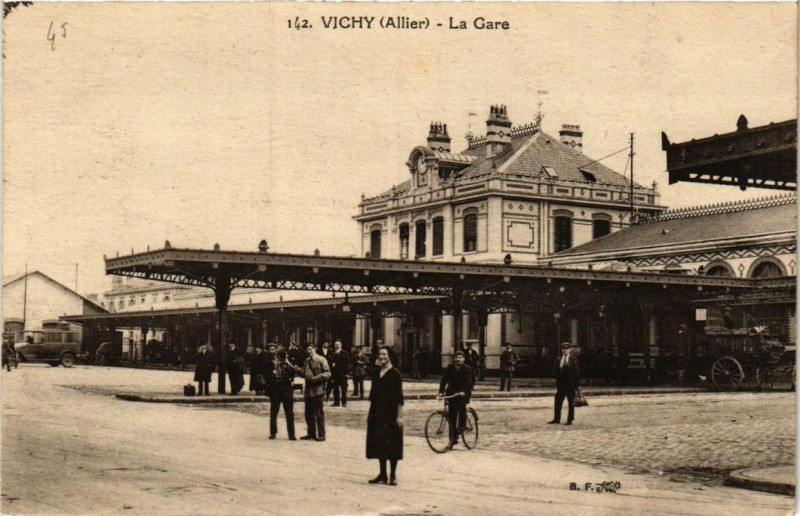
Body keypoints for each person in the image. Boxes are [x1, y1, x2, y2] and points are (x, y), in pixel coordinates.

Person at [366, 346, 404, 486]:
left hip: (391, 413)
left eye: (384, 354)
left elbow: (400, 398)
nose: (381, 357)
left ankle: (392, 475)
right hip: (377, 412)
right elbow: (373, 395)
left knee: (392, 443)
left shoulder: (395, 374)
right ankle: (382, 474)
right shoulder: (376, 373)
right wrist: (370, 414)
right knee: (379, 443)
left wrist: (399, 416)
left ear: (389, 356)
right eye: (380, 354)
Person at [294, 343, 331, 441]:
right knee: (308, 413)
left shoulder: (321, 359)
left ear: (315, 349)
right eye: (307, 350)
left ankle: (322, 435)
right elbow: (304, 374)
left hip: (318, 390)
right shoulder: (306, 361)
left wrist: (316, 378)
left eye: (310, 349)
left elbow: (328, 373)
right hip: (308, 390)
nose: (308, 351)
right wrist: (298, 370)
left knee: (319, 413)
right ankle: (311, 433)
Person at [438, 351, 473, 448]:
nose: (458, 359)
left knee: (461, 409)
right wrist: (441, 392)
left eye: (460, 357)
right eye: (456, 357)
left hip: (462, 394)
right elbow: (444, 380)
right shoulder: (450, 367)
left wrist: (464, 391)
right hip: (452, 394)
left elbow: (468, 382)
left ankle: (462, 427)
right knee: (452, 418)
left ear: (464, 359)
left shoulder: (467, 368)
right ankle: (452, 441)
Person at [265, 344, 296, 440]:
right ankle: (273, 432)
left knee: (289, 412)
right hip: (275, 389)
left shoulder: (286, 362)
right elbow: (266, 375)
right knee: (274, 412)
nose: (274, 353)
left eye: (276, 351)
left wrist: (288, 364)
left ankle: (291, 434)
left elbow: (292, 373)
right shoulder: (268, 362)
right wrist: (273, 376)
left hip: (286, 389)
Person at [549, 342, 580, 426]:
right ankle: (556, 419)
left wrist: (576, 385)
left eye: (567, 349)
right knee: (558, 402)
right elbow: (554, 371)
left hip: (570, 385)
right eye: (564, 349)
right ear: (562, 350)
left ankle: (570, 419)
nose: (565, 350)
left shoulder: (573, 359)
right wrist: (558, 378)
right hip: (561, 385)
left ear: (570, 350)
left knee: (571, 403)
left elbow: (577, 373)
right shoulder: (558, 359)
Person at [330, 340, 350, 407]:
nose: (337, 345)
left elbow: (347, 364)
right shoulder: (332, 354)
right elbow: (331, 364)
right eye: (336, 344)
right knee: (335, 389)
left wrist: (347, 373)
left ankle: (344, 402)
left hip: (343, 374)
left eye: (338, 344)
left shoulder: (345, 353)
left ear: (341, 345)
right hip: (335, 375)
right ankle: (336, 402)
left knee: (343, 389)